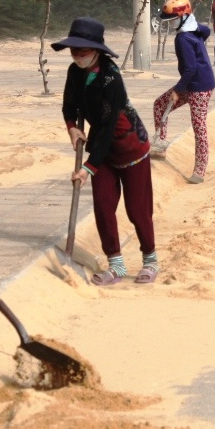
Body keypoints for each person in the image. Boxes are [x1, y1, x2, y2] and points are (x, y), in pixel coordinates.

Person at [52, 17, 158, 286]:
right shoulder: (74, 73)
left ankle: (150, 260)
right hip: (102, 151)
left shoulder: (111, 79)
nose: (77, 56)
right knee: (102, 205)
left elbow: (108, 128)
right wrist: (71, 128)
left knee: (137, 210)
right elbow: (69, 106)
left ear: (96, 51)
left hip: (129, 146)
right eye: (74, 51)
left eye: (83, 52)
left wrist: (88, 167)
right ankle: (116, 264)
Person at [152, 0, 215, 184]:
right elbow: (207, 31)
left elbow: (190, 68)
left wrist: (177, 90)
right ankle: (160, 146)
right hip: (194, 82)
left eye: (173, 20)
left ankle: (200, 170)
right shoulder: (193, 29)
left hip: (199, 86)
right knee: (160, 105)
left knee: (199, 126)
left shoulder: (183, 38)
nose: (170, 24)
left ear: (184, 17)